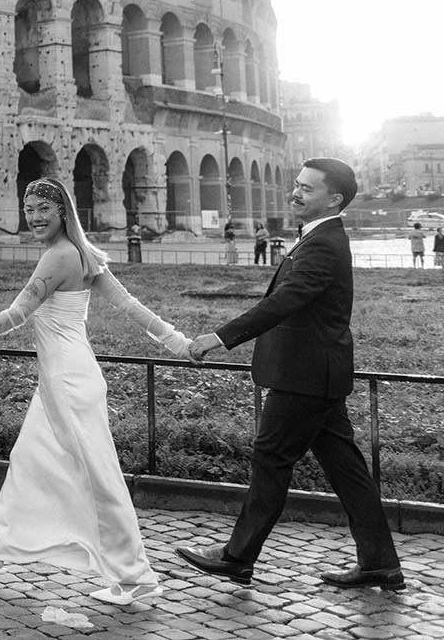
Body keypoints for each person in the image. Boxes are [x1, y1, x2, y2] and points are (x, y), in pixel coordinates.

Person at [0, 177, 190, 605]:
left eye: (43, 210)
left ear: (63, 211)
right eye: (29, 210)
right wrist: (178, 342)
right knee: (29, 463)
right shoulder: (83, 255)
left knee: (97, 480)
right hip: (64, 377)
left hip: (68, 381)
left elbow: (15, 316)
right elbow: (132, 308)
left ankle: (135, 575)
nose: (34, 217)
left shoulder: (60, 257)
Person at [181, 158, 404, 592]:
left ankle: (237, 557)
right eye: (296, 185)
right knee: (348, 473)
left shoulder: (323, 243)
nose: (295, 193)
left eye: (307, 188)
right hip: (316, 375)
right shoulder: (319, 237)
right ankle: (380, 563)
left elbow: (285, 301)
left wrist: (219, 337)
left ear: (334, 199)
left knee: (271, 461)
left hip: (304, 378)